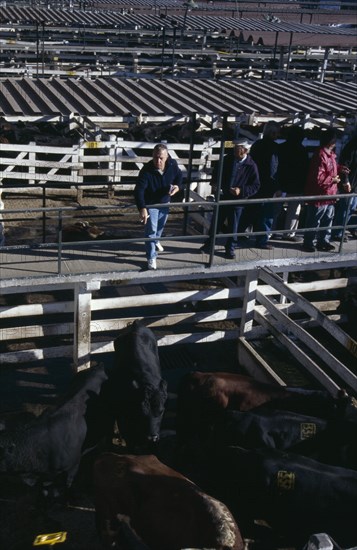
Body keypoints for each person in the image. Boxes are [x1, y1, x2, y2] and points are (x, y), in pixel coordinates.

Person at [200, 138, 260, 259]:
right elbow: (217, 172)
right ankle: (209, 244)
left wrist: (241, 190)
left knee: (234, 225)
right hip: (224, 196)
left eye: (237, 149)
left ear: (244, 151)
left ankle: (230, 247)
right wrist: (215, 183)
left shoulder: (251, 165)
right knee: (216, 222)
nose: (234, 151)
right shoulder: (228, 159)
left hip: (238, 200)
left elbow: (255, 185)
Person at [134, 143, 183, 270]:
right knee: (151, 231)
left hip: (165, 202)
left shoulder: (172, 165)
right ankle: (151, 257)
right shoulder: (146, 170)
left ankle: (156, 241)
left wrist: (177, 186)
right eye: (156, 157)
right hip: (151, 204)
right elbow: (139, 190)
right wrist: (142, 207)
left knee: (160, 227)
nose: (158, 161)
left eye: (161, 158)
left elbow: (179, 176)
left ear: (167, 157)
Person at [302, 128, 349, 253]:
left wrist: (339, 168)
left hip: (329, 194)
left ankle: (323, 241)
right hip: (320, 193)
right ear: (331, 141)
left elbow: (329, 170)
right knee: (314, 220)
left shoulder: (329, 155)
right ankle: (309, 242)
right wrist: (333, 180)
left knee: (327, 219)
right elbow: (318, 177)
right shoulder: (321, 155)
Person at [241, 120, 281, 250]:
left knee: (250, 210)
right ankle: (262, 240)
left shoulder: (257, 145)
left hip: (254, 183)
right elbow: (272, 169)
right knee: (266, 214)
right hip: (266, 185)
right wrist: (275, 186)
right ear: (273, 133)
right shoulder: (274, 148)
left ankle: (239, 233)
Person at [275, 125, 309, 242]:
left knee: (275, 210)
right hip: (296, 185)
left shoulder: (280, 148)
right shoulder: (302, 150)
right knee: (294, 211)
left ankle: (269, 232)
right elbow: (305, 170)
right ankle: (288, 234)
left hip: (280, 184)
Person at [331, 131, 357, 242]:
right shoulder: (352, 147)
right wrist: (346, 181)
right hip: (351, 183)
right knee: (347, 208)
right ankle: (337, 232)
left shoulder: (352, 145)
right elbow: (345, 165)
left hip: (353, 183)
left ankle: (341, 230)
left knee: (348, 208)